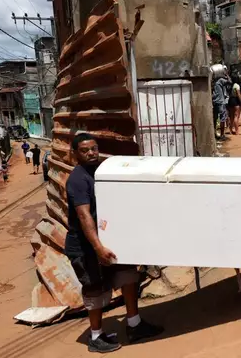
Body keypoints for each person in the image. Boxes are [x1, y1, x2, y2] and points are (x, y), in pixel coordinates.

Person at [65, 133, 163, 353]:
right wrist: (98, 247)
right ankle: (96, 336)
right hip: (85, 247)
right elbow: (83, 215)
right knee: (94, 289)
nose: (91, 153)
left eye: (94, 148)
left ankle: (134, 324)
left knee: (128, 276)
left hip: (110, 240)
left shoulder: (102, 172)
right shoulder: (78, 179)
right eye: (84, 150)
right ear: (75, 153)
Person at [213, 75, 229, 142]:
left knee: (215, 118)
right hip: (221, 102)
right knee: (222, 119)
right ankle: (222, 135)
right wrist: (227, 76)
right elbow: (229, 81)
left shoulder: (212, 82)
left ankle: (214, 134)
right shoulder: (220, 80)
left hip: (214, 102)